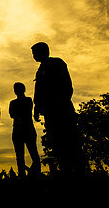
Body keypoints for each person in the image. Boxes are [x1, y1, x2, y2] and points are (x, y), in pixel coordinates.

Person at [31, 42, 85, 176]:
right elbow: (38, 91)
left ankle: (79, 171)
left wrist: (60, 101)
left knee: (70, 141)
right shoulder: (40, 70)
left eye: (35, 53)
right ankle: (65, 170)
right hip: (50, 112)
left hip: (62, 110)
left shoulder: (56, 63)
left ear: (43, 52)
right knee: (56, 143)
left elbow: (67, 85)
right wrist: (37, 108)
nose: (33, 56)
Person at [9, 82, 41, 178]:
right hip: (21, 130)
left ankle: (34, 174)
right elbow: (12, 114)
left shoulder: (27, 100)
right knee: (21, 156)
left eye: (17, 89)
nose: (16, 91)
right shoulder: (22, 101)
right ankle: (24, 175)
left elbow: (13, 114)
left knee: (31, 154)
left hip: (25, 130)